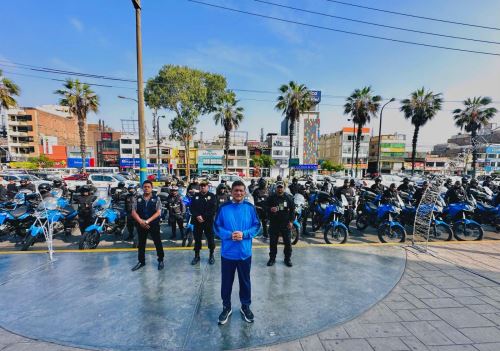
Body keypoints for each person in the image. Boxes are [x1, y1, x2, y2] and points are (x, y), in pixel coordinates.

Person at [213, 180, 261, 325]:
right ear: (231, 192)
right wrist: (229, 234)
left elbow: (257, 226)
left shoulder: (250, 208)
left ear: (245, 192)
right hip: (228, 254)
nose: (238, 193)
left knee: (245, 282)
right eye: (236, 191)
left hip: (244, 253)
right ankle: (226, 307)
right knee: (226, 282)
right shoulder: (224, 208)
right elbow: (216, 226)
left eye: (241, 190)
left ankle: (245, 306)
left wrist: (245, 234)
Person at [131, 180, 165, 271]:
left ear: (151, 187)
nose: (146, 188)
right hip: (141, 224)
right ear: (142, 188)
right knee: (141, 244)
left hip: (153, 224)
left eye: (148, 187)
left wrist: (147, 221)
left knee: (157, 242)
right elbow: (133, 212)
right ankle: (141, 262)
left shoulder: (156, 198)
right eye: (145, 187)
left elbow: (158, 212)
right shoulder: (137, 198)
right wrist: (141, 222)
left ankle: (160, 260)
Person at [266, 181, 295, 267]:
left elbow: (293, 210)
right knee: (273, 243)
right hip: (274, 223)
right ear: (276, 188)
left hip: (286, 224)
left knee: (288, 243)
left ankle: (287, 259)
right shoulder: (271, 197)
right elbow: (265, 207)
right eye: (278, 187)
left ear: (284, 188)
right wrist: (270, 209)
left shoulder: (288, 198)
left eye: (281, 187)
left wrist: (291, 222)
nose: (280, 189)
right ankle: (272, 259)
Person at [190, 180, 217, 265]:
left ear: (207, 186)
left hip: (208, 222)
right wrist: (197, 215)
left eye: (204, 185)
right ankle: (197, 256)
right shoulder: (195, 196)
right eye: (201, 185)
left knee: (210, 239)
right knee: (197, 239)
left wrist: (204, 217)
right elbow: (191, 207)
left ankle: (211, 255)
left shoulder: (212, 196)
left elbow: (214, 209)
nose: (203, 187)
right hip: (197, 221)